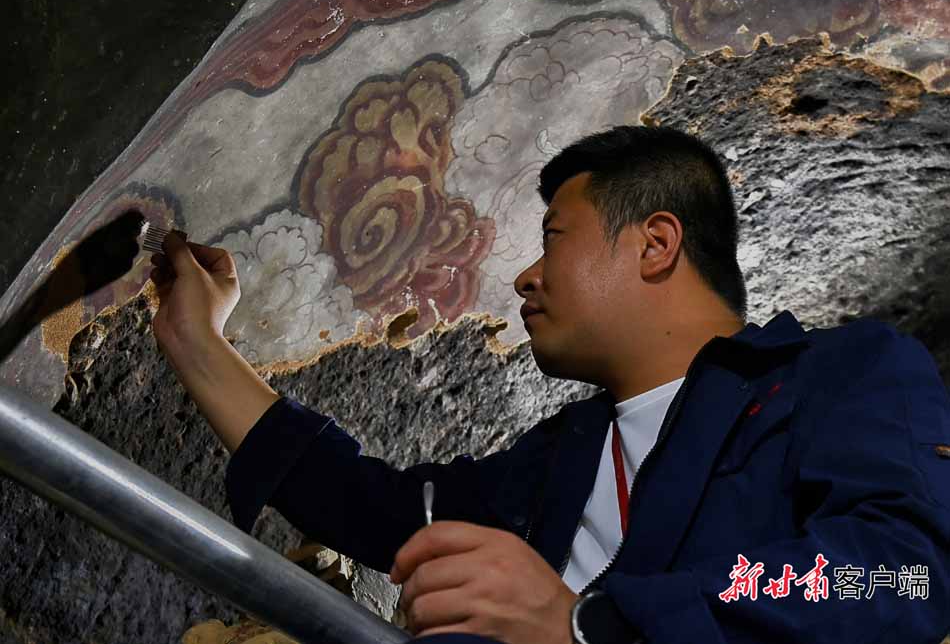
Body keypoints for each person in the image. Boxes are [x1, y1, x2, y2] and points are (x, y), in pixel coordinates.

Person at [149, 125, 950, 644]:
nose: (526, 277)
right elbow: (372, 508)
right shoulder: (553, 460)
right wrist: (196, 341)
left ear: (655, 244)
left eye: (555, 238)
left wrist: (588, 625)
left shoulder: (839, 375)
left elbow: (901, 575)